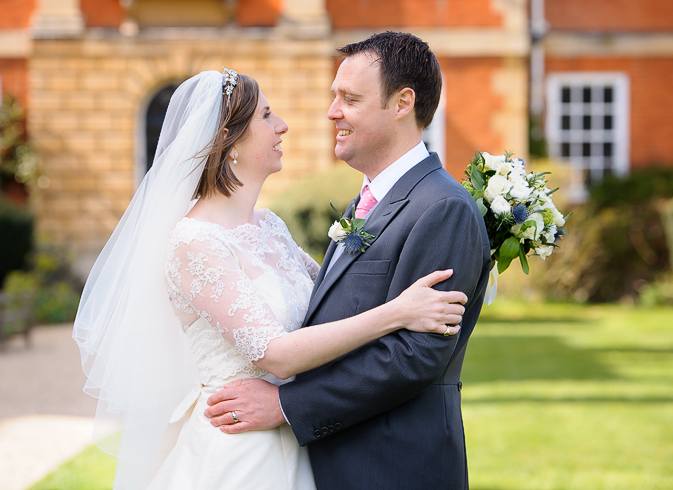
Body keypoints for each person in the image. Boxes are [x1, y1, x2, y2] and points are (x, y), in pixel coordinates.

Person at [73, 68, 468, 490]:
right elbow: (276, 354)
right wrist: (399, 312)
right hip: (239, 448)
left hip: (300, 437)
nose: (282, 125)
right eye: (265, 116)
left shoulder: (271, 226)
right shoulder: (194, 242)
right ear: (229, 142)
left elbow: (332, 299)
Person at [204, 32, 491, 490]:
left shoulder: (442, 207)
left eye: (349, 99)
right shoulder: (371, 200)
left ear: (402, 103)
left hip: (393, 467)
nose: (331, 111)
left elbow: (414, 357)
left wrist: (285, 405)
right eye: (334, 96)